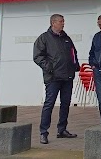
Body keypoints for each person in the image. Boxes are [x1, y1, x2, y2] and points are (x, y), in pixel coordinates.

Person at [33, 13, 80, 144]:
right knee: (49, 104)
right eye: (61, 21)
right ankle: (43, 132)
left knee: (65, 104)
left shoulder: (66, 38)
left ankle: (62, 129)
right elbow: (37, 56)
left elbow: (73, 53)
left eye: (63, 21)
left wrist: (75, 66)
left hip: (67, 77)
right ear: (53, 23)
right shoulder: (44, 38)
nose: (63, 23)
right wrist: (50, 68)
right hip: (53, 78)